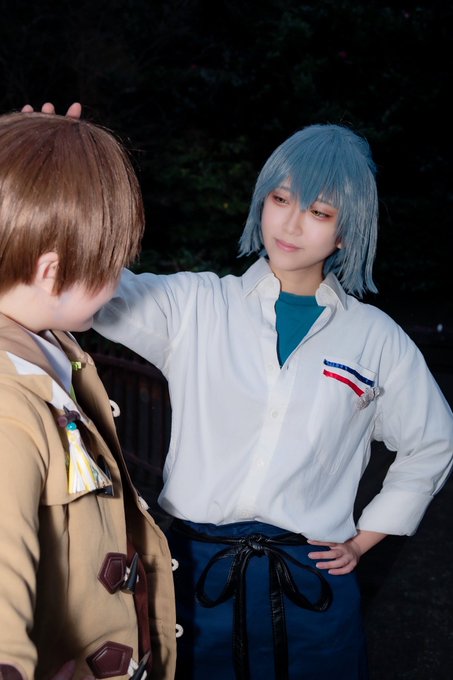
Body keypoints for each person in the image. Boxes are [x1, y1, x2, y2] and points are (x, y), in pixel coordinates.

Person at [92, 122, 453, 679]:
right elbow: (91, 288)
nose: (291, 222)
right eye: (280, 199)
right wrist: (65, 179)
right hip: (194, 577)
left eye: (319, 211)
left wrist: (363, 541)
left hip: (312, 583)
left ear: (346, 233)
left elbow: (433, 442)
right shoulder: (197, 304)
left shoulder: (376, 338)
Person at [0, 111, 177, 680]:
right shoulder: (8, 404)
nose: (119, 278)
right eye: (111, 263)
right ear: (51, 272)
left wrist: (37, 168)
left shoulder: (46, 341)